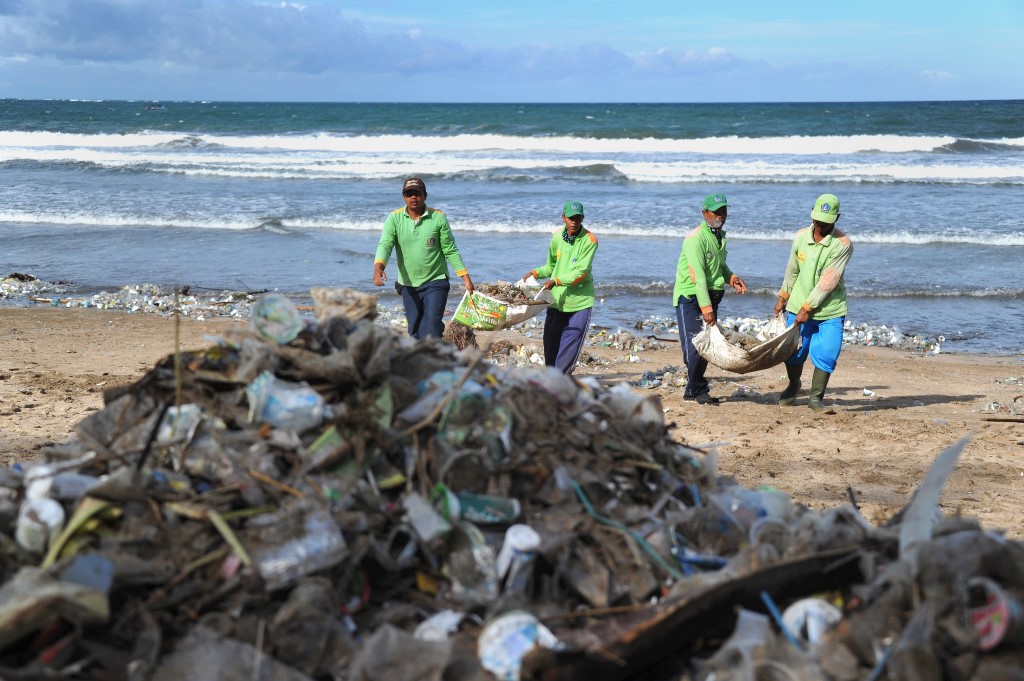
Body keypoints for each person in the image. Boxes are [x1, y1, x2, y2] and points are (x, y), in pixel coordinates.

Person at [774, 193, 854, 411]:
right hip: (797, 304)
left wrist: (807, 307)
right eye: (818, 220)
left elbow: (829, 280)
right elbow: (792, 270)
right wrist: (783, 297)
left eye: (826, 222)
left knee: (827, 352)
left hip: (829, 308)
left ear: (837, 218)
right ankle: (793, 385)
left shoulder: (843, 244)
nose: (820, 225)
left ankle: (815, 398)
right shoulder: (800, 237)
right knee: (794, 352)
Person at [373, 177, 474, 339]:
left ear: (425, 195)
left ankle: (433, 353)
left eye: (417, 193)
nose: (414, 197)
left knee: (431, 329)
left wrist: (465, 278)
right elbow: (385, 244)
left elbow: (450, 250)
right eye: (409, 194)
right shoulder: (394, 218)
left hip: (436, 281)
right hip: (408, 284)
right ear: (404, 197)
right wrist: (378, 268)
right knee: (414, 331)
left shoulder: (438, 218)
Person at [673, 193, 748, 404]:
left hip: (712, 297)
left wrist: (731, 277)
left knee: (705, 345)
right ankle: (697, 389)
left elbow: (719, 265)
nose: (721, 215)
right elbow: (697, 276)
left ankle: (692, 390)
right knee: (696, 347)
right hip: (690, 297)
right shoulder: (695, 239)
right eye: (716, 212)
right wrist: (706, 308)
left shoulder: (719, 236)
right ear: (704, 213)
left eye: (724, 211)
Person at [521, 201, 598, 375]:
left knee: (569, 347)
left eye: (577, 218)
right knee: (550, 344)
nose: (574, 221)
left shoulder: (589, 240)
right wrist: (535, 273)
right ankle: (551, 379)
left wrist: (555, 281)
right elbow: (551, 266)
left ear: (582, 219)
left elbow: (581, 273)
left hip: (579, 302)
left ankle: (560, 380)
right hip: (556, 300)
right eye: (570, 218)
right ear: (563, 217)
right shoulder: (557, 237)